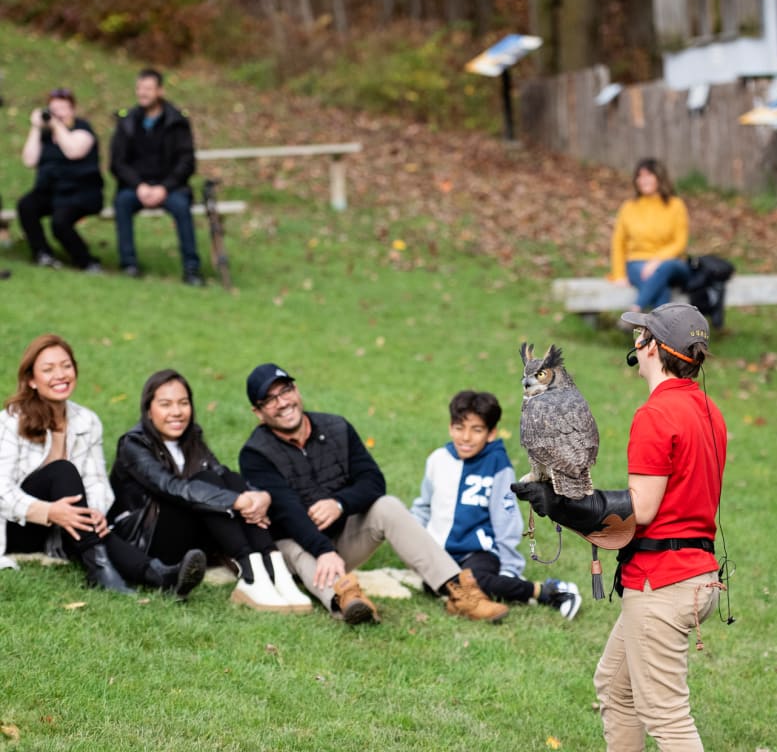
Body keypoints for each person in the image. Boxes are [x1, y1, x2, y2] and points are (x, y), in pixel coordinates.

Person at [514, 303, 726, 751]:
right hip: (697, 574)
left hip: (663, 583)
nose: (635, 342)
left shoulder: (656, 414)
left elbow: (643, 509)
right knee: (617, 688)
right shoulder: (708, 409)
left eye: (640, 334)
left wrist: (562, 505)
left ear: (650, 349)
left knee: (667, 718)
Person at [239, 364, 510, 625]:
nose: (283, 402)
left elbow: (373, 481)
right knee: (295, 548)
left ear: (296, 391)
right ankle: (346, 599)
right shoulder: (255, 453)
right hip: (292, 546)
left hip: (341, 535)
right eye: (269, 399)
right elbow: (288, 512)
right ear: (258, 412)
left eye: (285, 390)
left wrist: (339, 504)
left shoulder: (336, 427)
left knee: (387, 506)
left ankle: (458, 590)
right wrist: (323, 550)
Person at [0, 335, 205, 599]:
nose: (60, 375)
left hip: (66, 529)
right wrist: (51, 511)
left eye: (66, 366)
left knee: (84, 516)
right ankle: (101, 570)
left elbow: (97, 481)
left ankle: (160, 576)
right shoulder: (10, 420)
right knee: (63, 471)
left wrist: (95, 511)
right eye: (48, 369)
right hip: (19, 525)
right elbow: (1, 490)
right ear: (31, 380)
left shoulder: (87, 420)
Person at [109, 369, 311, 613]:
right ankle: (250, 574)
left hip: (190, 531)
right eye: (165, 404)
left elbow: (221, 475)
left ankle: (274, 569)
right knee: (209, 486)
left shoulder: (191, 435)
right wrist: (237, 501)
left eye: (183, 403)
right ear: (149, 410)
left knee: (227, 477)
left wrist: (259, 496)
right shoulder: (133, 444)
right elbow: (171, 487)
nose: (177, 412)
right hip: (148, 540)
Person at [410, 390, 581, 620]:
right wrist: (412, 544)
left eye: (477, 430)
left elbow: (506, 519)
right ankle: (470, 593)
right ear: (451, 427)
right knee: (436, 584)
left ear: (491, 433)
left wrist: (509, 568)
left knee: (476, 580)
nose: (466, 437)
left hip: (478, 552)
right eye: (459, 428)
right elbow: (423, 507)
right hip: (441, 552)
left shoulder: (498, 466)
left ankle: (549, 591)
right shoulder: (437, 460)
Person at [109, 68, 203, 285]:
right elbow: (117, 163)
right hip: (136, 187)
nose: (143, 93)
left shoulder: (177, 122)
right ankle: (129, 265)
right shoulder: (127, 122)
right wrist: (138, 186)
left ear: (159, 91)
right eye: (140, 88)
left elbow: (186, 162)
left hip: (170, 187)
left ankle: (191, 269)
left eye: (148, 89)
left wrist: (165, 187)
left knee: (181, 207)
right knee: (122, 203)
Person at [17, 87, 104, 271]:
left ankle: (85, 261)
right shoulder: (45, 135)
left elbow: (73, 151)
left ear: (72, 109)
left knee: (60, 223)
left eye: (62, 108)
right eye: (53, 110)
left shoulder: (82, 129)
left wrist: (58, 126)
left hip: (80, 192)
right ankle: (42, 253)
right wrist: (36, 128)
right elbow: (29, 160)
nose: (58, 114)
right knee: (27, 206)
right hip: (51, 191)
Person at [610, 158, 691, 311]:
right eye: (640, 176)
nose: (643, 180)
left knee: (664, 269)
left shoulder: (675, 205)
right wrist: (619, 274)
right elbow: (618, 243)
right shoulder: (629, 207)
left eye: (648, 175)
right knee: (661, 289)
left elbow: (680, 242)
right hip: (637, 263)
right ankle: (658, 334)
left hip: (672, 264)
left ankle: (636, 309)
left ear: (659, 178)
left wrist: (656, 261)